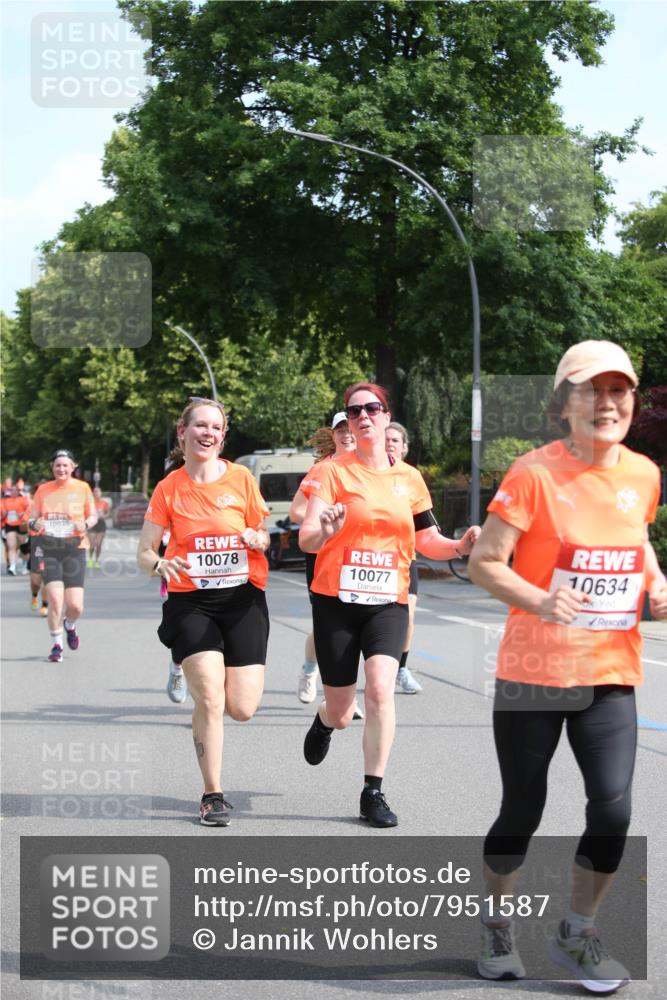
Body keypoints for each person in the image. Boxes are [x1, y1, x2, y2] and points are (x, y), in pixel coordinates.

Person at [468, 341, 667, 992]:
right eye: (590, 389)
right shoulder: (531, 473)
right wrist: (540, 598)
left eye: (618, 390)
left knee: (611, 812)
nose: (606, 402)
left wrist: (656, 580)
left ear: (631, 403)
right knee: (522, 811)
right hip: (532, 669)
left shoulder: (641, 474)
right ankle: (496, 920)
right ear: (563, 403)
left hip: (609, 669)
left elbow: (634, 537)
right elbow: (484, 562)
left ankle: (575, 932)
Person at [299, 382, 480, 828]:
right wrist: (325, 529)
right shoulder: (330, 473)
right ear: (347, 419)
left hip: (388, 600)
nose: (363, 416)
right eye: (354, 410)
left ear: (386, 415)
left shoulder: (409, 478)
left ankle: (372, 792)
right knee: (343, 712)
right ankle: (325, 719)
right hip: (336, 601)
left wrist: (460, 546)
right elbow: (306, 538)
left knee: (380, 689)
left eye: (372, 408)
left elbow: (427, 540)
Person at [137, 398, 271, 827]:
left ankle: (182, 663)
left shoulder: (242, 478)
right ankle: (213, 794)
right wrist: (160, 564)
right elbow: (143, 551)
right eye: (200, 426)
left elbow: (264, 533)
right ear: (183, 432)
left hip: (242, 599)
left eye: (216, 427)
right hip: (191, 601)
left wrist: (257, 539)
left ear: (223, 435)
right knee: (210, 697)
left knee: (242, 707)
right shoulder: (169, 488)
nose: (208, 433)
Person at [291, 413, 360, 720]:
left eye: (351, 429)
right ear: (333, 436)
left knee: (360, 626)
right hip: (322, 553)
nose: (347, 434)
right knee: (326, 629)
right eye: (340, 430)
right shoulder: (322, 468)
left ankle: (349, 698)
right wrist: (324, 517)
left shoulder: (372, 467)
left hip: (359, 557)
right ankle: (309, 669)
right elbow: (296, 511)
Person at [28, 450, 97, 662]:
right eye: (58, 465)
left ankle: (70, 625)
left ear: (73, 467)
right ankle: (57, 645)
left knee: (75, 606)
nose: (61, 469)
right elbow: (32, 519)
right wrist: (35, 523)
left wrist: (84, 524)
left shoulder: (82, 488)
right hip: (50, 549)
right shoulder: (43, 490)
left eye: (65, 465)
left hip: (74, 548)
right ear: (52, 468)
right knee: (56, 600)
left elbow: (93, 516)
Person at [385, 421, 423, 694]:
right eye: (386, 439)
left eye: (395, 441)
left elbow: (425, 525)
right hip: (372, 560)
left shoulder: (412, 477)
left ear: (405, 448)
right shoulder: (366, 472)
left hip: (405, 558)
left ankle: (401, 668)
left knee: (407, 615)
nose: (390, 444)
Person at [2, 483, 31, 576]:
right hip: (9, 525)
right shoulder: (6, 501)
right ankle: (13, 567)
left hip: (21, 526)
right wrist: (4, 514)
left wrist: (23, 515)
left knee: (23, 548)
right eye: (12, 490)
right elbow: (2, 513)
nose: (13, 492)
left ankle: (24, 565)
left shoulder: (23, 500)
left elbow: (30, 510)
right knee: (11, 546)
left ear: (18, 492)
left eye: (15, 490)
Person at [87, 487, 110, 568]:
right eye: (95, 492)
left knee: (99, 544)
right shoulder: (90, 503)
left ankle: (97, 560)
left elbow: (108, 513)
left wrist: (103, 516)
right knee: (92, 544)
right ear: (93, 493)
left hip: (101, 524)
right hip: (92, 524)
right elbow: (85, 513)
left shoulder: (104, 503)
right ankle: (90, 559)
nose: (96, 493)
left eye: (98, 492)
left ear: (101, 493)